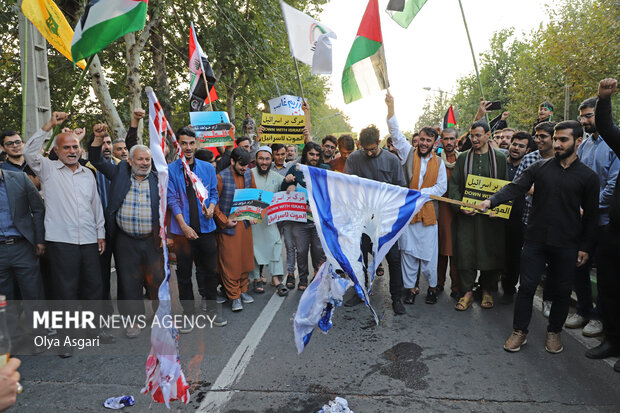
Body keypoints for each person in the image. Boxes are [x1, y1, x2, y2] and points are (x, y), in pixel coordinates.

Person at [479, 121, 599, 354]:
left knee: (562, 290)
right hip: (535, 240)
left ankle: (554, 332)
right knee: (526, 287)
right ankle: (519, 332)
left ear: (578, 141)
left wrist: (585, 247)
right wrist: (490, 201)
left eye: (563, 139)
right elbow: (515, 187)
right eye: (555, 139)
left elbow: (592, 217)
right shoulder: (540, 168)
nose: (557, 143)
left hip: (567, 243)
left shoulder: (588, 177)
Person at [23, 113, 112, 354]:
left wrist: (100, 233)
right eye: (67, 147)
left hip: (90, 240)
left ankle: (94, 330)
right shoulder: (48, 170)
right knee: (65, 292)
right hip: (62, 242)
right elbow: (30, 152)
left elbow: (96, 206)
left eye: (75, 146)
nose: (72, 151)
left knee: (94, 286)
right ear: (57, 151)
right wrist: (50, 125)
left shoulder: (88, 174)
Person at [90, 124, 164, 338]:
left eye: (147, 160)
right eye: (140, 159)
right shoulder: (120, 171)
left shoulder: (158, 177)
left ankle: (160, 316)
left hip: (152, 239)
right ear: (130, 161)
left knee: (157, 279)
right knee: (128, 281)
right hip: (125, 239)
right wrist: (97, 138)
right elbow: (95, 159)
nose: (144, 163)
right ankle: (133, 321)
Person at [565, 97, 619, 338]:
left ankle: (600, 317)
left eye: (589, 116)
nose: (584, 121)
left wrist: (591, 207)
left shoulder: (615, 144)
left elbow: (613, 186)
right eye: (582, 116)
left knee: (605, 275)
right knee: (579, 265)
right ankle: (584, 310)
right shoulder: (584, 145)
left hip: (607, 223)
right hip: (582, 219)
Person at [386, 93, 447, 305]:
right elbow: (395, 133)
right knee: (408, 254)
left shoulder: (439, 162)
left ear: (434, 143)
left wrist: (422, 194)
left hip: (429, 215)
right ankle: (410, 289)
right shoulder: (407, 152)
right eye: (422, 139)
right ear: (418, 139)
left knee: (429, 256)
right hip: (409, 214)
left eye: (428, 141)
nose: (424, 143)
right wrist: (391, 106)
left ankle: (431, 288)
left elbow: (442, 187)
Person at [344, 123, 408, 315]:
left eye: (372, 149)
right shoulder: (354, 159)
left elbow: (401, 188)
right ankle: (360, 292)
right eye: (366, 150)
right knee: (360, 257)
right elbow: (346, 186)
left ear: (379, 142)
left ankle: (396, 298)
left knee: (394, 258)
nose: (369, 154)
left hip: (386, 220)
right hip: (362, 219)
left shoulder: (392, 160)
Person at [167, 127, 224, 328]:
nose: (188, 147)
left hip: (206, 228)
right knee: (183, 275)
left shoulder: (208, 168)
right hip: (182, 233)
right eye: (184, 143)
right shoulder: (172, 170)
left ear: (196, 144)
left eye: (191, 143)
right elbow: (171, 200)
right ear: (178, 145)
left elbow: (214, 194)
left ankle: (211, 310)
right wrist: (183, 227)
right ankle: (188, 313)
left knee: (209, 271)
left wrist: (211, 207)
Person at [449, 120, 507, 311]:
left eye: (478, 135)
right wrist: (460, 207)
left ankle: (487, 290)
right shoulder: (463, 158)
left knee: (489, 252)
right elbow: (455, 185)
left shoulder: (499, 158)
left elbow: (506, 187)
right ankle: (466, 292)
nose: (474, 139)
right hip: (467, 217)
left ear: (487, 136)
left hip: (490, 219)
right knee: (466, 253)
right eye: (472, 135)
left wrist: (497, 210)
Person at [587, 78, 620, 371]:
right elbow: (607, 128)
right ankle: (612, 340)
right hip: (614, 233)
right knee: (609, 288)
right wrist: (604, 99)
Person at [0, 168, 45, 350]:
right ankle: (14, 339)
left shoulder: (19, 179)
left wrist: (39, 239)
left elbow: (38, 208)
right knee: (5, 299)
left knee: (33, 294)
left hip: (23, 246)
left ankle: (38, 337)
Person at [213, 147, 256, 312]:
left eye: (246, 165)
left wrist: (253, 214)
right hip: (228, 229)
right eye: (241, 165)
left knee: (245, 261)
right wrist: (224, 221)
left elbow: (253, 195)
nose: (244, 168)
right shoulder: (220, 177)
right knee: (230, 264)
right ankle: (234, 296)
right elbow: (213, 204)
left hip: (245, 227)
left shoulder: (249, 174)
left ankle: (243, 291)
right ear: (232, 161)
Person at [281, 142, 327, 291]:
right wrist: (288, 183)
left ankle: (317, 276)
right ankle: (302, 279)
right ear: (305, 154)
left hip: (319, 221)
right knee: (301, 251)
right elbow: (282, 189)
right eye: (311, 154)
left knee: (318, 251)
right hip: (299, 220)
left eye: (317, 155)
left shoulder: (325, 170)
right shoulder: (296, 169)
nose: (314, 157)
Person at [250, 146, 287, 296]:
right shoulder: (249, 174)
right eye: (261, 159)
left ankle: (276, 279)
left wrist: (290, 182)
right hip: (253, 221)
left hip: (270, 221)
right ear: (256, 160)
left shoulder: (276, 177)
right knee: (255, 248)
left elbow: (286, 190)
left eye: (267, 159)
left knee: (276, 245)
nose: (264, 162)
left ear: (271, 160)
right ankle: (257, 278)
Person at [437, 128, 460, 298]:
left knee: (457, 249)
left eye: (452, 139)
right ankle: (438, 284)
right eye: (446, 139)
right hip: (441, 208)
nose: (449, 142)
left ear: (457, 141)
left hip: (459, 209)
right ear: (441, 141)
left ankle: (457, 287)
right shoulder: (436, 161)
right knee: (441, 248)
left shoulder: (463, 160)